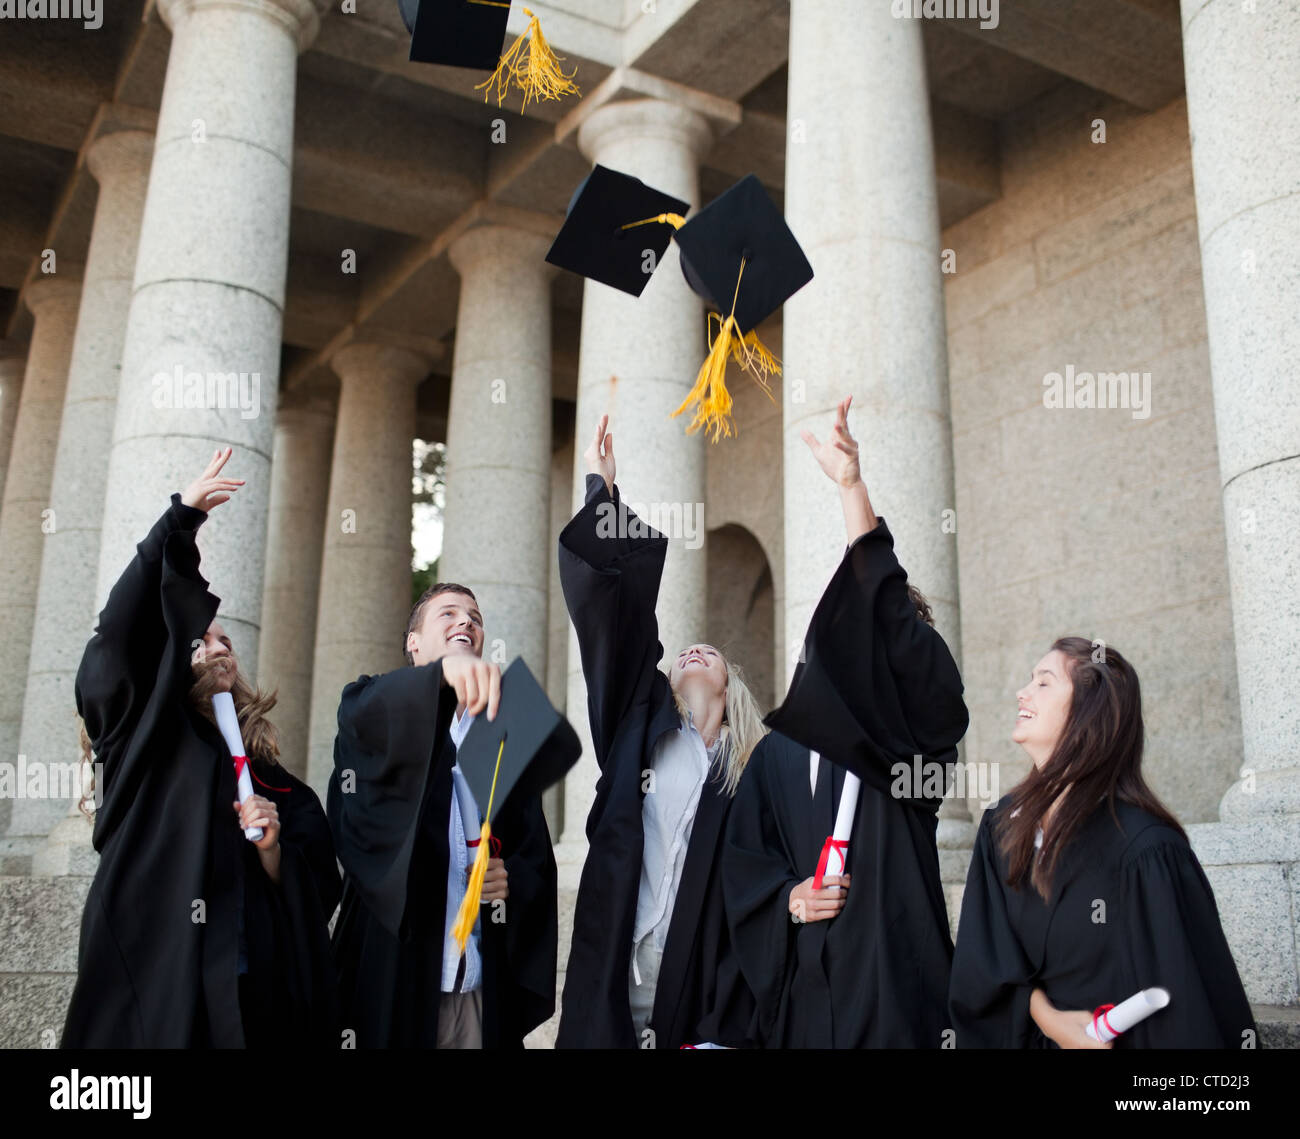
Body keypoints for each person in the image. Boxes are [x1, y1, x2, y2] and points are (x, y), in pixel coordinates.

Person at [64, 447, 341, 1048]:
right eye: (197, 640)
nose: (216, 647)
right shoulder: (138, 737)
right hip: (151, 970)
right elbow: (117, 635)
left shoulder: (268, 775)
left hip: (246, 985)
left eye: (223, 639)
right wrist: (179, 522)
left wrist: (272, 852)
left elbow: (318, 881)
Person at [721, 396, 970, 1048]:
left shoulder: (906, 746)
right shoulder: (776, 755)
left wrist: (853, 492)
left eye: (892, 641)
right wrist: (788, 899)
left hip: (896, 987)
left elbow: (887, 616)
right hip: (803, 997)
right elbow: (745, 861)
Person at [556, 415, 765, 1049]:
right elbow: (616, 622)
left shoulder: (756, 768)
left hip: (698, 977)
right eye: (686, 649)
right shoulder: (638, 725)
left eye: (712, 651)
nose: (697, 649)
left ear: (732, 687)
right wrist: (606, 495)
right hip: (617, 956)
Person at [949, 637, 1257, 1048]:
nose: (1022, 692)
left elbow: (1187, 1009)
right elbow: (984, 960)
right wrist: (1051, 1020)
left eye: (1044, 682)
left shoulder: (1147, 851)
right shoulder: (1002, 828)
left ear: (1087, 711)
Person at [327, 583, 558, 1048]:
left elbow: (533, 849)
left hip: (476, 983)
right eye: (447, 614)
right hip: (395, 975)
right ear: (414, 643)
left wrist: (509, 879)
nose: (466, 622)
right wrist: (440, 677)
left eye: (474, 617)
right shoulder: (371, 705)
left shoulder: (502, 737)